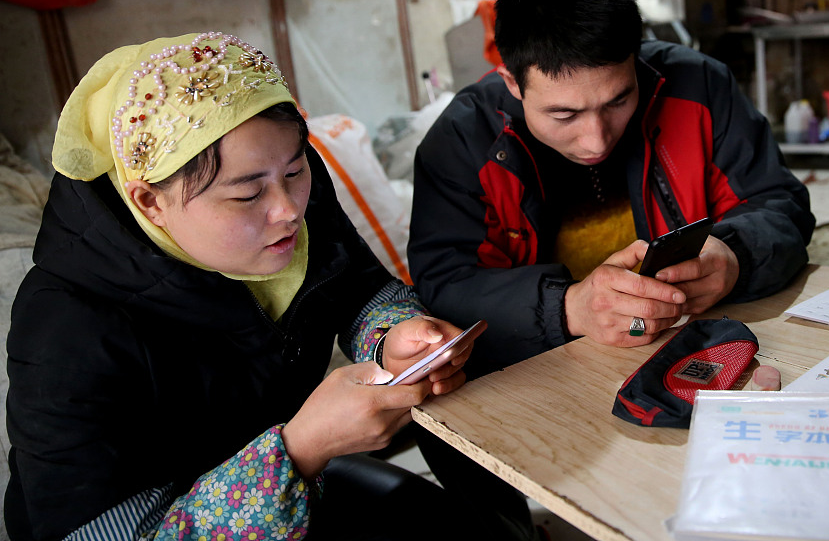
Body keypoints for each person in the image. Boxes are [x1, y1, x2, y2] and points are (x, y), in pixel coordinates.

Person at [4, 32, 526, 541]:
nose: (288, 210)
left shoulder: (294, 205)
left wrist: (395, 337)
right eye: (246, 195)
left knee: (446, 524)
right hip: (208, 509)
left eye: (295, 171)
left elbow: (361, 291)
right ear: (150, 201)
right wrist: (300, 449)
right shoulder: (63, 329)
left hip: (299, 478)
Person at [409, 0, 815, 370]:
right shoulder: (463, 139)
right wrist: (568, 307)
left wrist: (734, 256)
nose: (597, 139)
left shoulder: (701, 88)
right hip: (542, 371)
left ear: (635, 58)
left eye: (618, 100)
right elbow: (444, 284)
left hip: (688, 350)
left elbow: (780, 205)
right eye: (564, 115)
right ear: (512, 82)